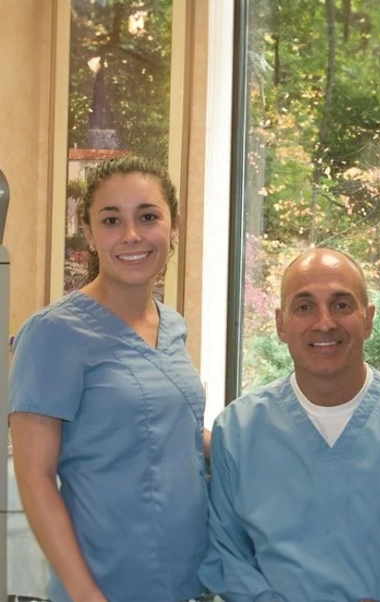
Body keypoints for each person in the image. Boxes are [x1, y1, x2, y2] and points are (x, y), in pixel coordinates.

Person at [199, 247, 380, 602]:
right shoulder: (238, 430)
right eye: (304, 307)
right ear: (280, 324)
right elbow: (226, 555)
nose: (324, 322)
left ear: (369, 319)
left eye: (342, 304)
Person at [10, 155, 208, 602]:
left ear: (173, 227)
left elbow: (177, 435)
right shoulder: (53, 333)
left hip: (188, 583)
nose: (132, 235)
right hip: (104, 585)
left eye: (148, 216)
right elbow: (34, 476)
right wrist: (86, 595)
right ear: (89, 233)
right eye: (112, 220)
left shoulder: (173, 326)